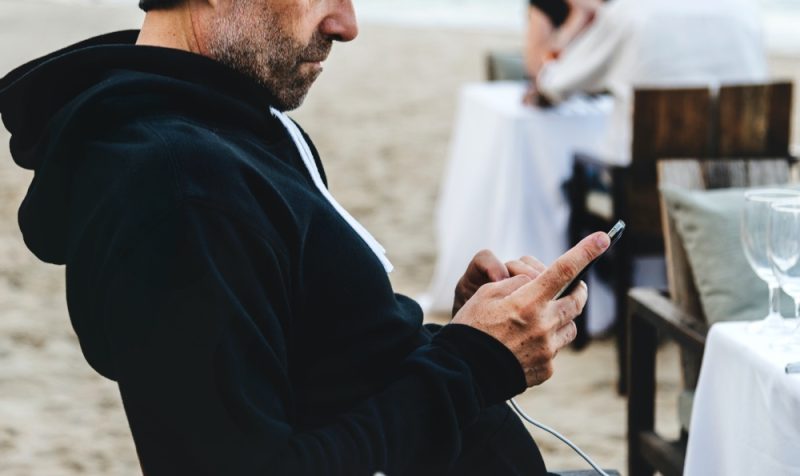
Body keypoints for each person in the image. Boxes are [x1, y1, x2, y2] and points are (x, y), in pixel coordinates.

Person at [0, 0, 610, 474]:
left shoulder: (228, 125)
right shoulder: (180, 185)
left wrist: (460, 335)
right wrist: (475, 366)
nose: (346, 24)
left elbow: (310, 368)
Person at [534, 0, 768, 162]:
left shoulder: (630, 11)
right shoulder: (747, 10)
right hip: (736, 191)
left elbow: (555, 84)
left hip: (641, 194)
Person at [524, 0, 604, 104]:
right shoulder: (545, 4)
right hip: (557, 98)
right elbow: (535, 68)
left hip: (605, 99)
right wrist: (577, 17)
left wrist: (603, 14)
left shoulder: (617, 6)